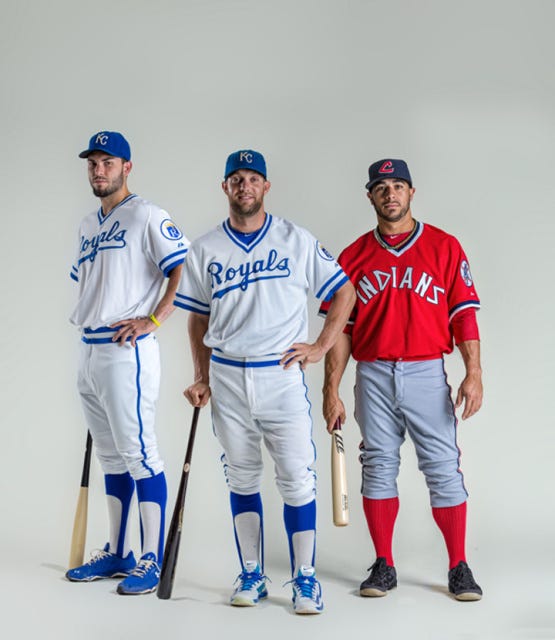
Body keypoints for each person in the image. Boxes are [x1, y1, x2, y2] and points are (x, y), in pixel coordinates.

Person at [174, 149, 355, 614]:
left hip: (280, 373)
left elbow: (344, 291)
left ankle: (305, 579)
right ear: (225, 187)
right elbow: (196, 319)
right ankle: (252, 573)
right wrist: (200, 374)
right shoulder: (205, 248)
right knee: (242, 476)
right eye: (236, 178)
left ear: (266, 186)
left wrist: (319, 346)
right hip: (229, 376)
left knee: (297, 479)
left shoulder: (295, 239)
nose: (245, 186)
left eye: (253, 178)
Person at [321, 158, 483, 601]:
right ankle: (384, 564)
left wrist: (474, 372)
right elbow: (340, 332)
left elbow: (463, 314)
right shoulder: (353, 256)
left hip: (427, 370)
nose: (389, 193)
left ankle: (458, 566)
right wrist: (330, 389)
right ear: (369, 196)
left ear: (412, 192)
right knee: (377, 467)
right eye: (381, 187)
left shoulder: (445, 247)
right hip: (371, 373)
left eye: (397, 185)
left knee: (444, 469)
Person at [66, 131, 189, 595]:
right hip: (89, 348)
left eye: (108, 162)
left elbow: (182, 267)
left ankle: (151, 557)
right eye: (93, 162)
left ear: (126, 167)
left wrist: (154, 318)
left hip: (126, 351)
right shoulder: (86, 224)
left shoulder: (147, 216)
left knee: (140, 454)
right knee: (111, 456)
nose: (99, 170)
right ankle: (119, 552)